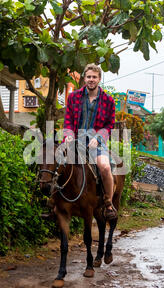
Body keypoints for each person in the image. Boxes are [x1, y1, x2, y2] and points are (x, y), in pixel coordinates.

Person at [63, 63, 117, 220]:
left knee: (105, 167)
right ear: (84, 78)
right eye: (88, 77)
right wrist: (68, 135)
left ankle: (108, 203)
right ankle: (54, 201)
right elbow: (68, 120)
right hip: (75, 141)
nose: (91, 79)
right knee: (56, 162)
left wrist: (98, 138)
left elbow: (109, 125)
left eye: (94, 77)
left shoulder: (108, 100)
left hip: (96, 143)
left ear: (99, 79)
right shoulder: (73, 97)